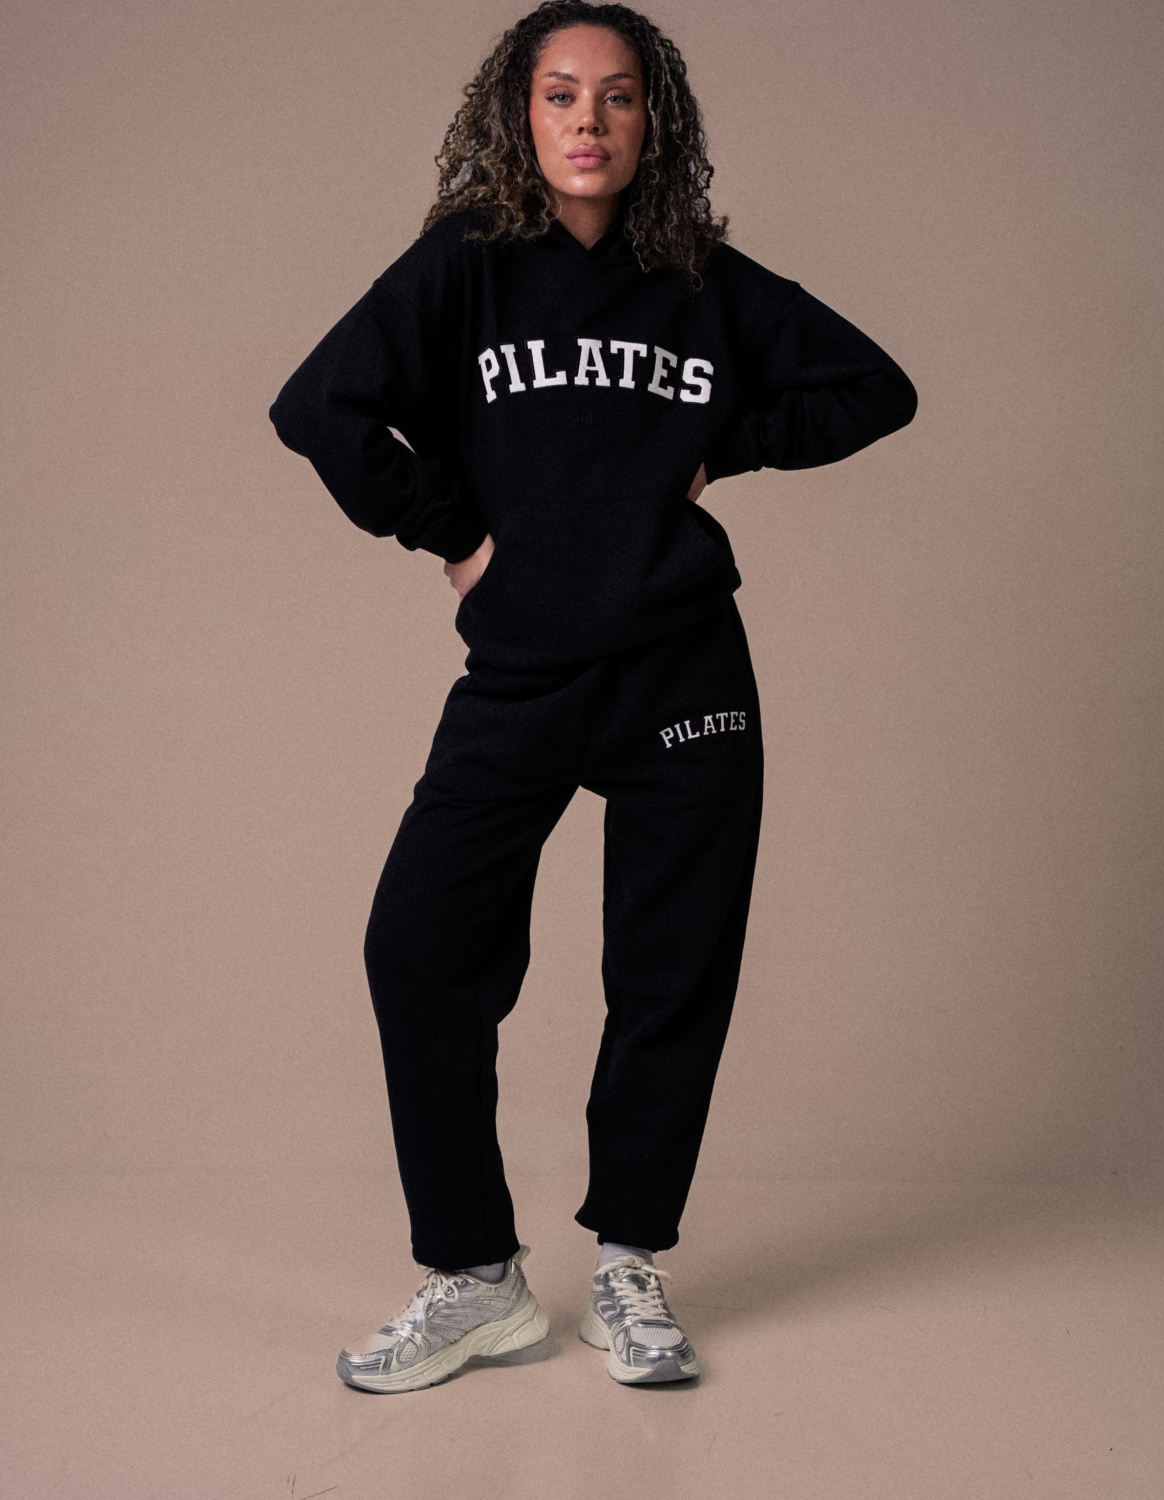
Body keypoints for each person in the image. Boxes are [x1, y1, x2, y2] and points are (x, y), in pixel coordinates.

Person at [268, 0, 917, 1391]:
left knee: (671, 972)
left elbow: (878, 388)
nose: (588, 121)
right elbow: (317, 406)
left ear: (651, 120)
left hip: (685, 671)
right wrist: (450, 530)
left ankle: (631, 1266)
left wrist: (722, 450)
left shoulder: (701, 279)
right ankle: (478, 1279)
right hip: (524, 674)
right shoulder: (466, 267)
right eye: (560, 93)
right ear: (519, 115)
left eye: (617, 96)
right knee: (419, 946)